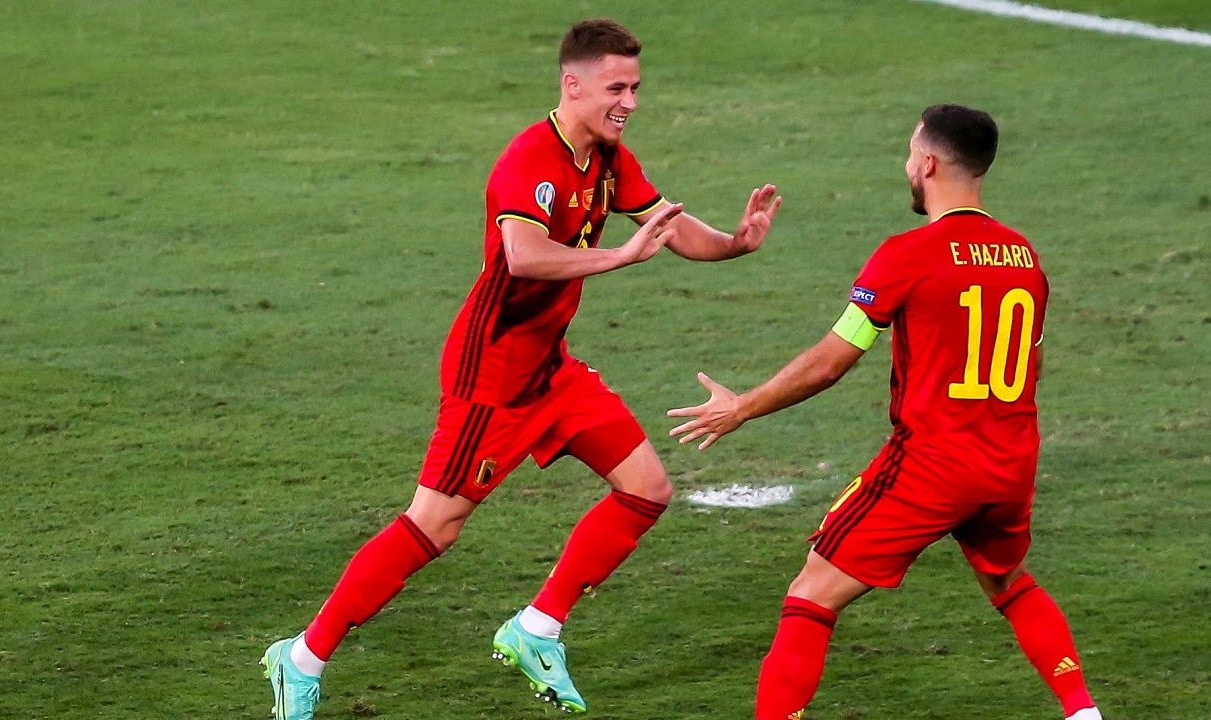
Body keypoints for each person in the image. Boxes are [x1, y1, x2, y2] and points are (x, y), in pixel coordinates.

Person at [259, 18, 783, 720]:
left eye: (634, 88)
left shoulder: (609, 158)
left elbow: (670, 225)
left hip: (549, 367)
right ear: (573, 84)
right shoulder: (530, 159)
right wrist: (619, 257)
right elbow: (523, 255)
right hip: (493, 374)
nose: (629, 102)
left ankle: (537, 628)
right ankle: (301, 658)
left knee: (647, 489)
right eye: (616, 88)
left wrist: (735, 243)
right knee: (434, 526)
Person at [667, 104, 1102, 720]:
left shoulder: (908, 253)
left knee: (811, 594)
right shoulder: (1024, 257)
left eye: (909, 153)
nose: (906, 166)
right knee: (1010, 583)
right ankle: (1083, 712)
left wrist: (742, 407)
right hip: (1009, 463)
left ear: (928, 164)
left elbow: (830, 362)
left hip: (934, 464)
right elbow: (1031, 365)